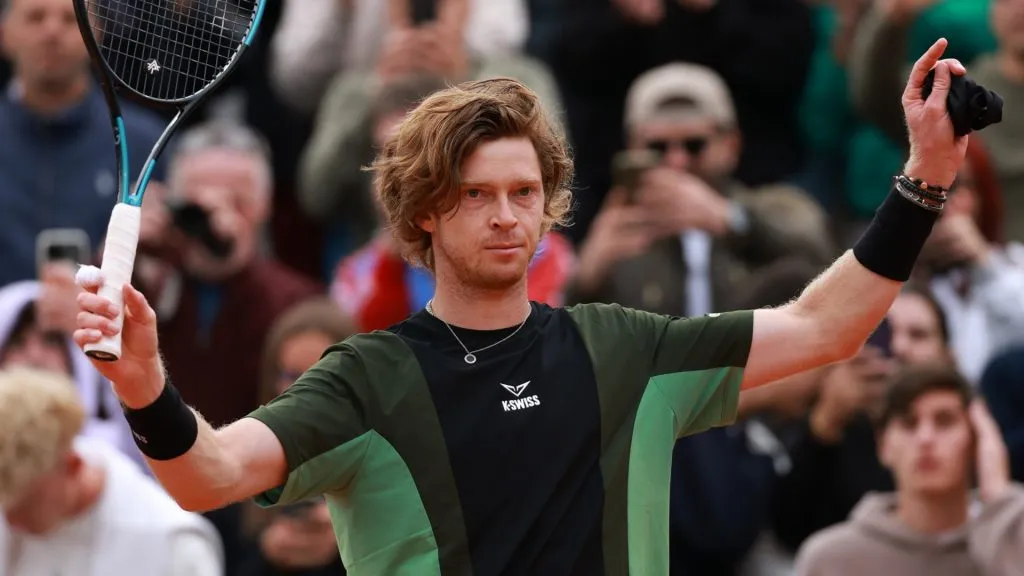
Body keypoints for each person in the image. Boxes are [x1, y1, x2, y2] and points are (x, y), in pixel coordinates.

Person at [73, 40, 969, 574]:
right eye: (475, 195)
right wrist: (146, 383)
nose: (507, 215)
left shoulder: (627, 348)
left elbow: (827, 326)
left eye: (524, 191)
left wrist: (925, 179)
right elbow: (210, 474)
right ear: (425, 211)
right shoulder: (368, 377)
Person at [794, 366, 1024, 576]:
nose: (925, 439)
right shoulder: (830, 560)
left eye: (944, 421)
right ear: (883, 446)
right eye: (909, 423)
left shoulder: (1007, 548)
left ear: (977, 439)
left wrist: (998, 493)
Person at [0, 368, 223, 576]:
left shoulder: (173, 544)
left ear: (72, 465)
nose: (11, 521)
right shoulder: (13, 520)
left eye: (28, 502)